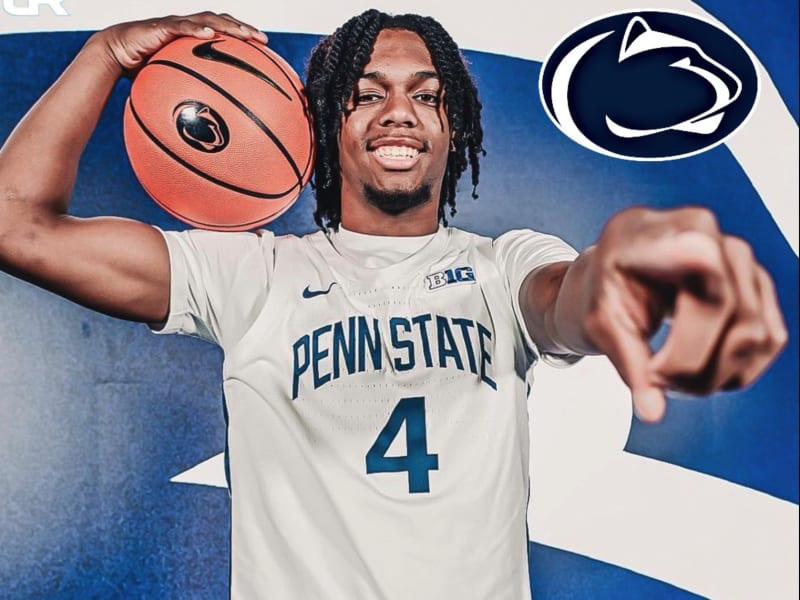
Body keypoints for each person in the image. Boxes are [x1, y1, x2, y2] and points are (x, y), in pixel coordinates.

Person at [0, 9, 787, 599]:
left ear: (453, 125)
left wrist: (622, 270)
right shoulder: (250, 275)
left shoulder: (502, 266)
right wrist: (104, 54)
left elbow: (567, 296)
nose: (399, 112)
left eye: (426, 95)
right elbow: (16, 225)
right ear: (324, 124)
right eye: (366, 94)